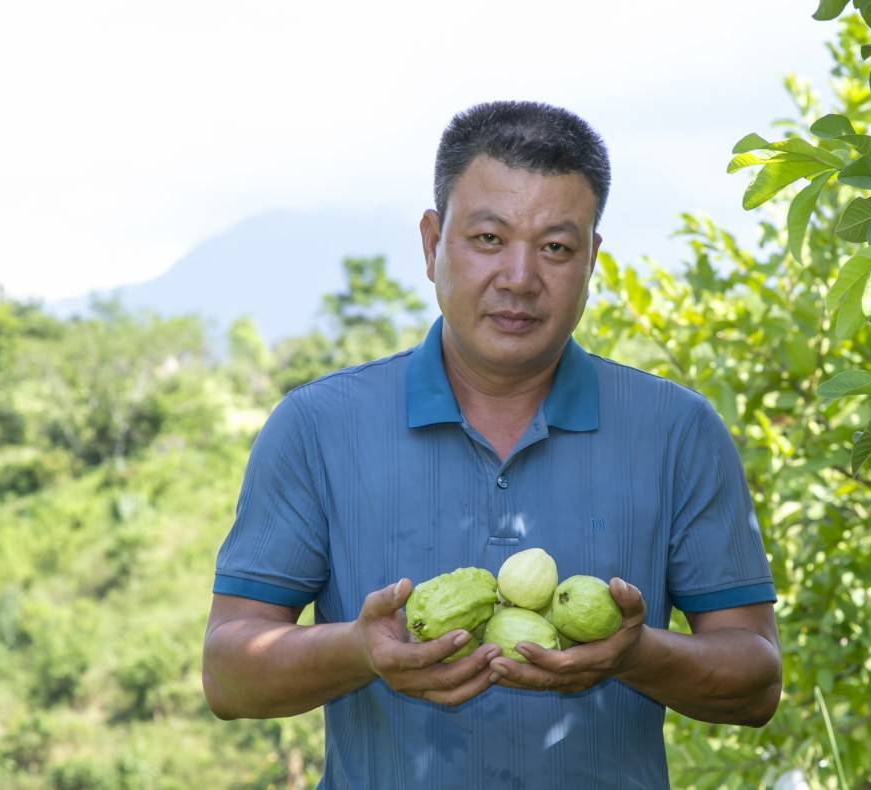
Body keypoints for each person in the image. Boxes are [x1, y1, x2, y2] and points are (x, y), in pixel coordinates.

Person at [202, 100, 782, 789]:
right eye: (487, 238)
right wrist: (359, 650)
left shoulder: (677, 430)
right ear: (431, 243)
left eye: (556, 247)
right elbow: (229, 676)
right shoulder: (317, 426)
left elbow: (755, 682)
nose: (519, 276)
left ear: (592, 260)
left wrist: (633, 654)